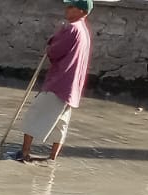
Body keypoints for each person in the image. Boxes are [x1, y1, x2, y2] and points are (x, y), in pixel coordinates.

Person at [18, 1, 94, 163]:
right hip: (71, 87)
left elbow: (55, 52)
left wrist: (53, 41)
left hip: (59, 82)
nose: (66, 9)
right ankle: (52, 158)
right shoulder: (84, 31)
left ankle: (24, 153)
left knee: (35, 114)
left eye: (70, 7)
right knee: (61, 122)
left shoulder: (72, 28)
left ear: (81, 11)